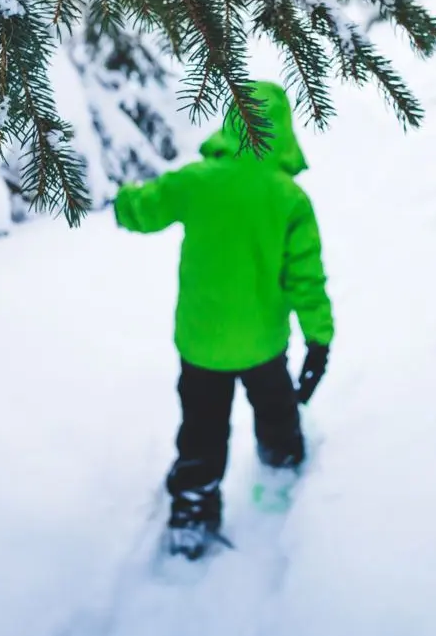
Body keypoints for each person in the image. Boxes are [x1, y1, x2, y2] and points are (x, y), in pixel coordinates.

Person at [113, 80, 334, 559]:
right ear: (282, 131)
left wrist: (124, 197)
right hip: (263, 345)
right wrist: (319, 342)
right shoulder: (289, 199)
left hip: (201, 344)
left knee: (202, 428)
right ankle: (281, 469)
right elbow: (306, 280)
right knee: (277, 412)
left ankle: (192, 512)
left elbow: (143, 211)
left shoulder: (197, 181)